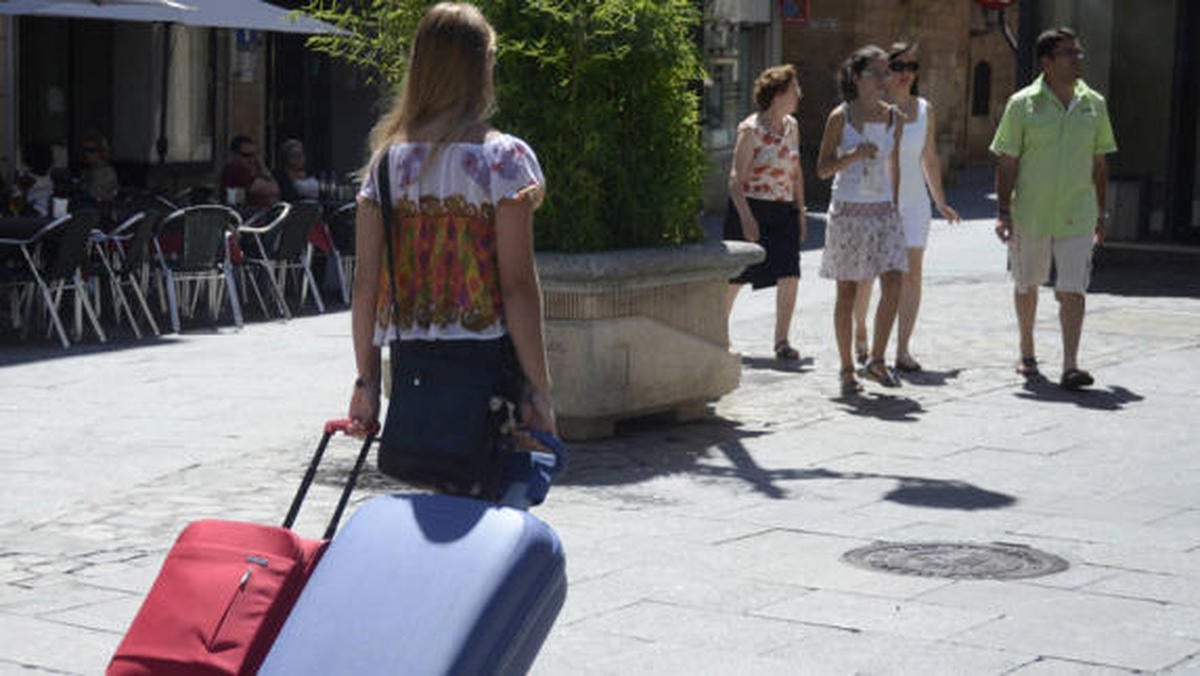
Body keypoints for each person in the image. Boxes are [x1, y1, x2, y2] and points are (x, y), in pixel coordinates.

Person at [347, 3, 556, 451]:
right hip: (490, 365)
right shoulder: (505, 160)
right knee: (496, 500)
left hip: (414, 368)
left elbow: (366, 282)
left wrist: (366, 380)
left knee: (435, 493)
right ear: (482, 67)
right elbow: (517, 283)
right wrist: (540, 388)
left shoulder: (385, 165)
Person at [991, 27, 1116, 390]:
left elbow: (1100, 163)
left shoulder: (1095, 104)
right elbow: (1007, 161)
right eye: (1069, 54)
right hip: (1031, 211)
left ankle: (1070, 364)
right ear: (1047, 61)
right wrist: (1002, 211)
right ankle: (1027, 350)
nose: (1078, 59)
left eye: (1078, 53)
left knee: (1073, 288)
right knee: (1027, 283)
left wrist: (1102, 213)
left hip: (1078, 212)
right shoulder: (1022, 104)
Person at [851, 43, 961, 371]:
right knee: (869, 276)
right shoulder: (874, 108)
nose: (906, 74)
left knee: (912, 276)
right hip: (877, 201)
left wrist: (940, 201)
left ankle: (902, 349)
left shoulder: (924, 109)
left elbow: (928, 157)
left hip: (914, 204)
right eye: (899, 67)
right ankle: (861, 331)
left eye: (912, 67)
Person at [816, 45, 907, 395]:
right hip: (849, 210)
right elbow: (822, 169)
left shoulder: (893, 116)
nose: (886, 79)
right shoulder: (840, 116)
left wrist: (894, 204)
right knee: (847, 291)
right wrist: (852, 156)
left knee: (895, 282)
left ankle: (878, 359)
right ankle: (845, 368)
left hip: (883, 210)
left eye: (888, 72)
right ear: (858, 77)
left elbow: (893, 164)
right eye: (878, 73)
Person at [724, 64, 807, 361]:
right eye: (794, 90)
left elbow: (796, 170)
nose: (799, 95)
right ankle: (717, 336)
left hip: (783, 208)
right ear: (778, 95)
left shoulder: (792, 126)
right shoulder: (751, 129)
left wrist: (800, 209)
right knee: (736, 277)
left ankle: (782, 341)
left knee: (790, 273)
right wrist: (746, 217)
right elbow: (736, 178)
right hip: (751, 207)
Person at [220, 135, 280, 208]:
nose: (251, 160)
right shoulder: (235, 170)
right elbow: (272, 189)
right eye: (246, 155)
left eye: (254, 155)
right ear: (234, 155)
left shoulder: (254, 171)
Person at [273, 138, 320, 203]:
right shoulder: (281, 176)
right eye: (295, 156)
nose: (299, 159)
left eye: (301, 155)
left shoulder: (311, 173)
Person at [80, 133, 119, 203]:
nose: (87, 154)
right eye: (85, 150)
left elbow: (99, 196)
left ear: (101, 151)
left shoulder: (106, 173)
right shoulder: (88, 170)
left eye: (91, 150)